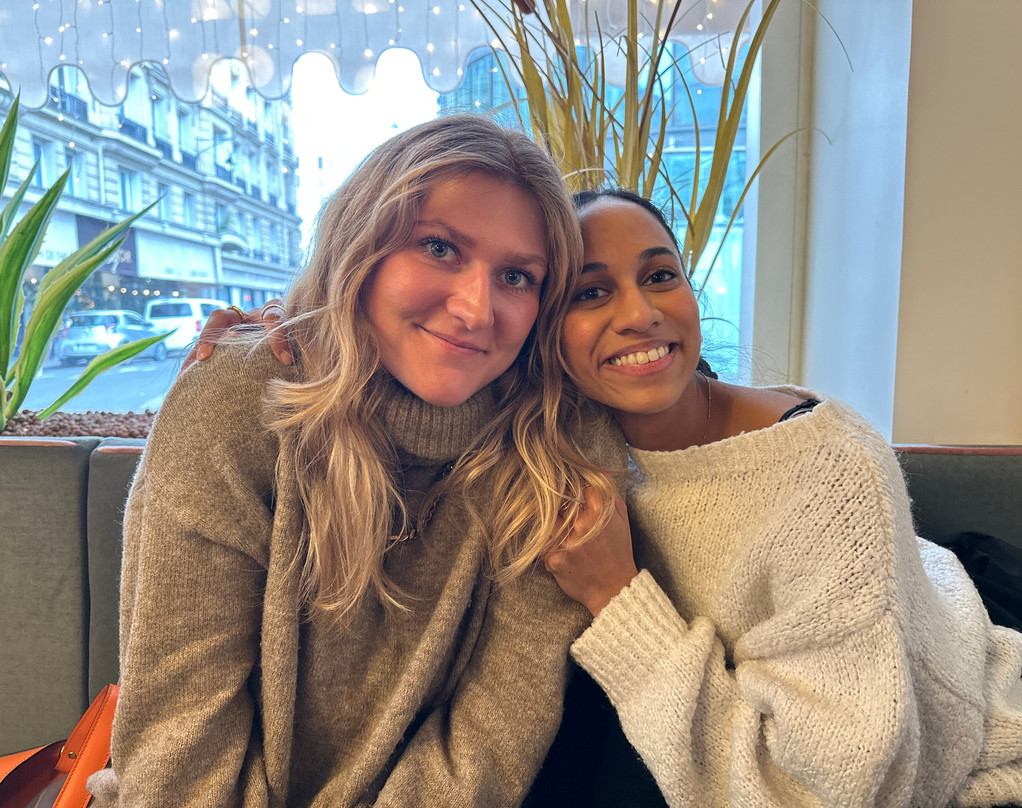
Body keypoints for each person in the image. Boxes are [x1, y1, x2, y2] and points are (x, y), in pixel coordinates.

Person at [207, 188, 1022, 807]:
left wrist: (619, 597)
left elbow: (839, 789)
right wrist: (293, 333)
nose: (639, 313)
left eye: (660, 276)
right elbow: (414, 382)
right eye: (591, 293)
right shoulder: (550, 439)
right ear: (539, 337)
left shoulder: (823, 469)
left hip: (956, 777)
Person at [87, 114, 624, 807]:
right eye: (439, 247)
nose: (475, 309)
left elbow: (488, 752)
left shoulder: (556, 453)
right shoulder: (239, 400)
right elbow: (178, 755)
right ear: (360, 246)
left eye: (517, 276)